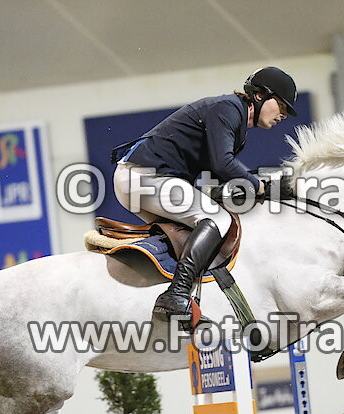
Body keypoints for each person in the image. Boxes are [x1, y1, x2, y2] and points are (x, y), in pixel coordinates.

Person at [111, 66, 298, 326]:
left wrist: (253, 187)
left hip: (146, 178)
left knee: (198, 232)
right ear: (259, 95)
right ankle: (176, 295)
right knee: (218, 219)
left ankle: (181, 299)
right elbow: (223, 163)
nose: (284, 115)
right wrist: (262, 187)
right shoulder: (229, 109)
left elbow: (217, 173)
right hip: (144, 177)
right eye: (281, 105)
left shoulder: (235, 120)